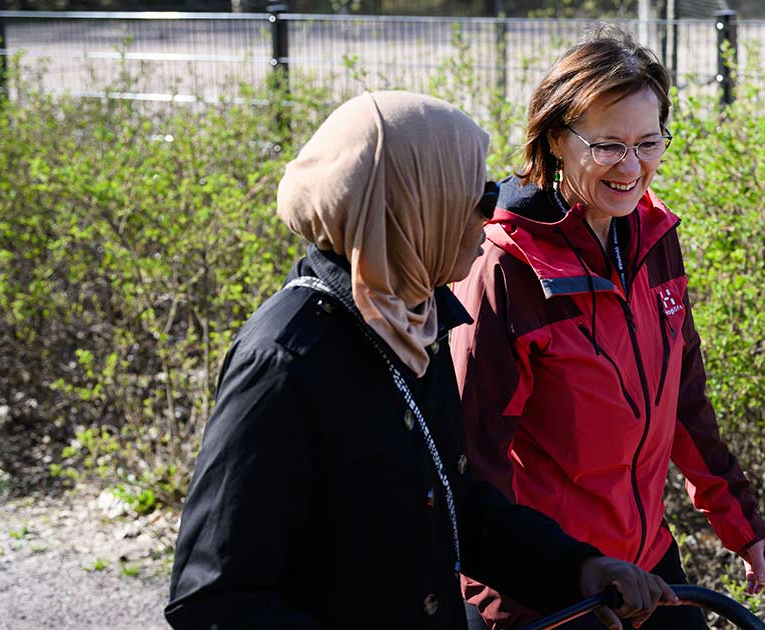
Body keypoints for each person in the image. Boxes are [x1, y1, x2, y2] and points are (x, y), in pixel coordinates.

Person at [164, 90, 679, 630]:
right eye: (474, 191)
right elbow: (213, 598)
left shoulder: (415, 320)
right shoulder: (286, 360)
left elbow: (455, 504)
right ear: (409, 206)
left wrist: (578, 568)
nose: (494, 208)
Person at [451, 28, 765, 629]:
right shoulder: (506, 266)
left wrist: (744, 527)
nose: (632, 167)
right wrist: (504, 598)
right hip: (553, 583)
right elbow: (474, 462)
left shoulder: (656, 236)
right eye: (608, 146)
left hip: (645, 562)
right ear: (556, 139)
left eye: (649, 142)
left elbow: (683, 403)